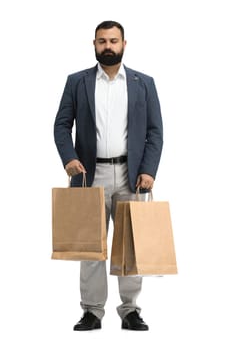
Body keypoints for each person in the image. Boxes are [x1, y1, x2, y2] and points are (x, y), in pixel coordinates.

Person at [54, 20, 163, 331]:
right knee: (90, 247)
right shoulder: (77, 82)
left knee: (131, 246)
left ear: (124, 44)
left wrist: (149, 170)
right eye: (102, 41)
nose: (108, 46)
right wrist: (70, 159)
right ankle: (92, 311)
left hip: (133, 176)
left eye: (114, 41)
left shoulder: (144, 83)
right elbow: (61, 126)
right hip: (90, 176)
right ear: (94, 44)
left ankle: (130, 310)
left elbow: (155, 132)